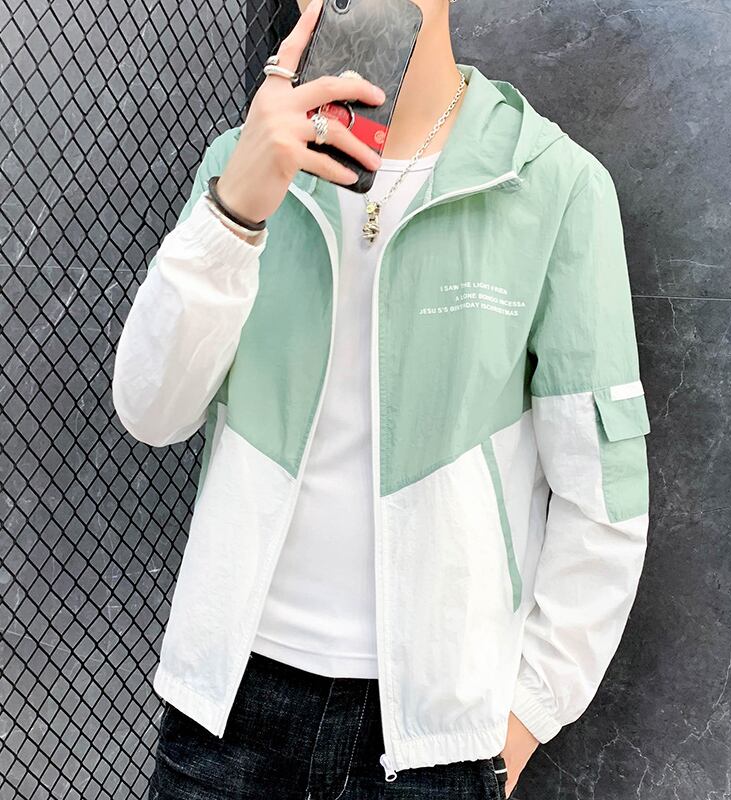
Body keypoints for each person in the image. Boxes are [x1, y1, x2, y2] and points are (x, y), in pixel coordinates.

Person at [112, 0, 652, 797]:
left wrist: (525, 719)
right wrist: (237, 210)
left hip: (434, 737)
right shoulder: (240, 161)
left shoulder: (549, 182)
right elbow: (151, 411)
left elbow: (604, 497)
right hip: (227, 709)